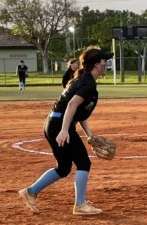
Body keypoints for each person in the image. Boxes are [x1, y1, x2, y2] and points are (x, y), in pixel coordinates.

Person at [18, 46, 113, 215]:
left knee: (64, 167)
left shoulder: (84, 79)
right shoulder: (88, 84)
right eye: (104, 60)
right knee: (83, 163)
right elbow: (71, 105)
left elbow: (79, 112)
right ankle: (80, 205)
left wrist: (89, 135)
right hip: (59, 126)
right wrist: (64, 130)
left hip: (52, 123)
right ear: (96, 64)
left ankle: (30, 192)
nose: (107, 63)